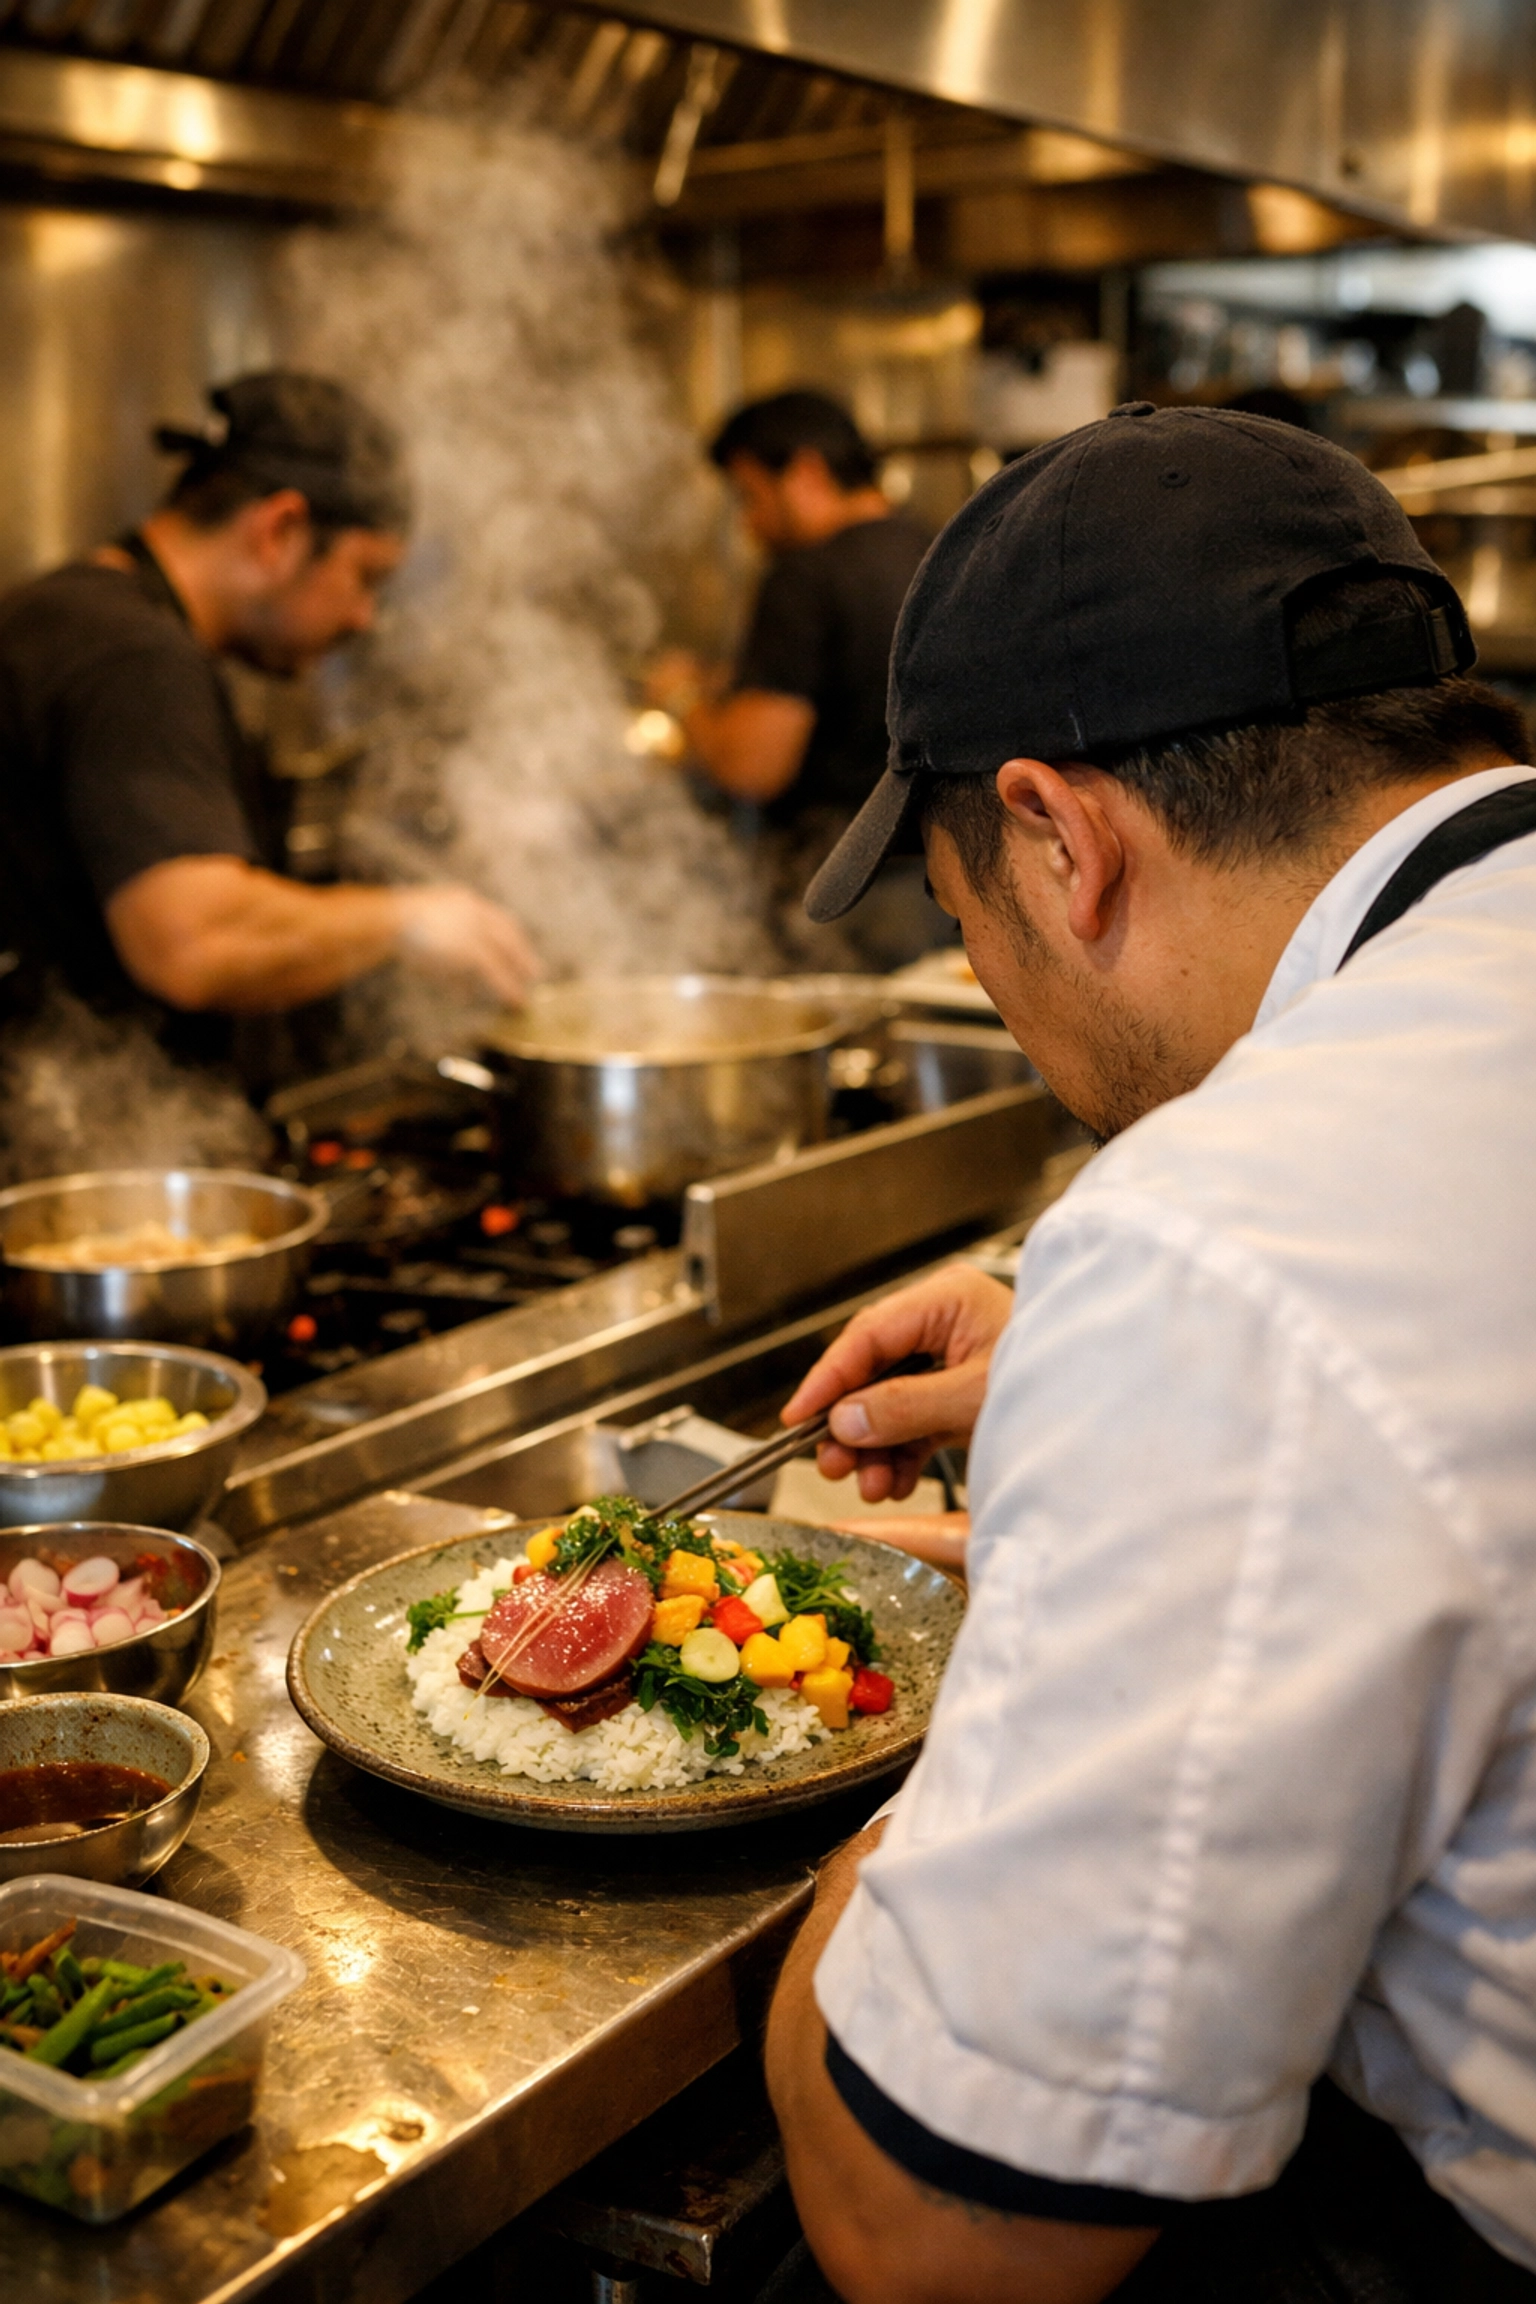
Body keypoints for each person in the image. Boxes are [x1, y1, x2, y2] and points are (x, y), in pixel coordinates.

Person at [761, 404, 1536, 2300]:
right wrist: (1103, 1402)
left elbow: (937, 2245)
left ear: (1059, 837)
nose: (996, 991)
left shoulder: (1222, 1235)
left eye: (965, 927)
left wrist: (1048, 1645)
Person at [0, 370, 539, 1090]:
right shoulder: (136, 659)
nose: (364, 619)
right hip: (64, 1137)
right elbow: (192, 942)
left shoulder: (65, 616)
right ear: (279, 531)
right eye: (365, 578)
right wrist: (407, 921)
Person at [646, 389, 938, 969]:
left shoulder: (804, 575)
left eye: (750, 497)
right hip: (942, 889)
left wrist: (679, 696)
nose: (749, 524)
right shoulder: (941, 550)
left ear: (805, 472)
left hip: (844, 899)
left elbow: (753, 766)